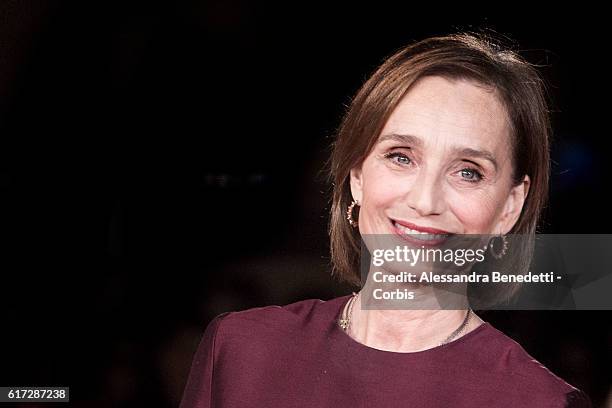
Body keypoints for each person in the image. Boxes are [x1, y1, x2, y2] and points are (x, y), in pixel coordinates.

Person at [179, 32, 592, 407]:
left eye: (468, 171)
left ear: (509, 206)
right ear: (357, 175)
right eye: (401, 157)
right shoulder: (240, 351)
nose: (425, 200)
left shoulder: (538, 401)